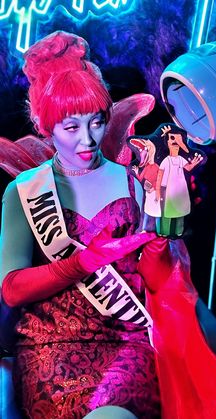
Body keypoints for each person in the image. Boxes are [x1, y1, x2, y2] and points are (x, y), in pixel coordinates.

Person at [0, 31, 160, 419]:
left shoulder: (133, 181)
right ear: (45, 125)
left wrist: (166, 234)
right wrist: (81, 263)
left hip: (128, 342)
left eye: (97, 122)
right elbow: (10, 290)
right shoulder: (25, 191)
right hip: (48, 347)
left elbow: (157, 276)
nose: (87, 139)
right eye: (71, 127)